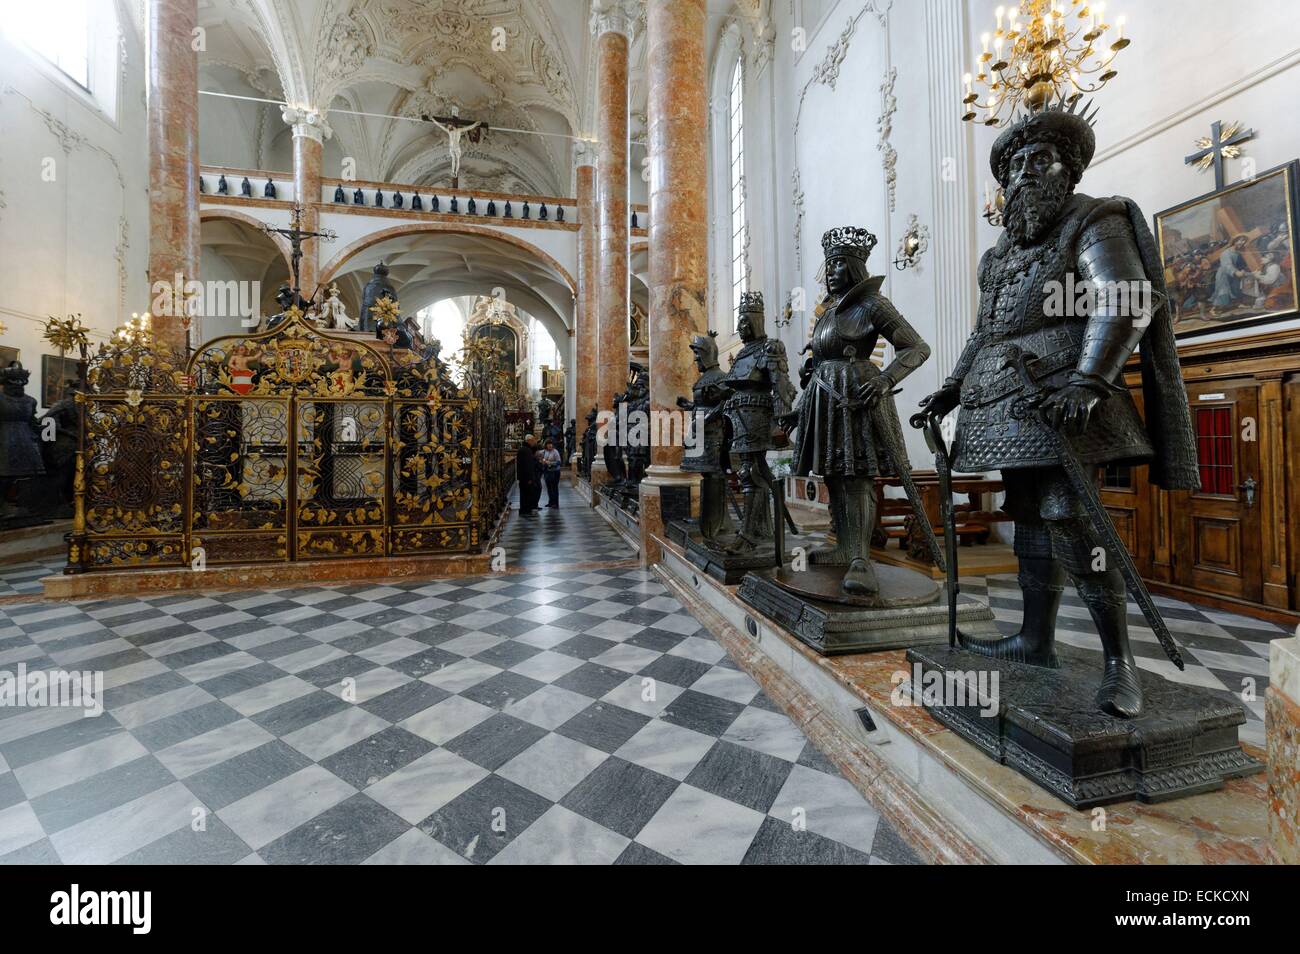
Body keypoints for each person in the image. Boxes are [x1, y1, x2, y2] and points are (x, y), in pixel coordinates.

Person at [918, 101, 1197, 718]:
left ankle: (1119, 662)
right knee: (1029, 519)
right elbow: (987, 329)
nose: (1022, 173)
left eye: (1037, 159)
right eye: (1013, 164)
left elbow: (1122, 298)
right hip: (1004, 405)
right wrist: (954, 386)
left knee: (1072, 519)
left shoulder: (1093, 220)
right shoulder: (999, 254)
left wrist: (1092, 378)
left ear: (1066, 168)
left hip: (1066, 396)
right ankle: (1035, 639)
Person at [516, 434, 541, 515]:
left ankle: (526, 509)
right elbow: (528, 466)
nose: (534, 442)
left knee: (525, 494)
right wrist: (530, 478)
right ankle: (525, 510)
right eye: (533, 440)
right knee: (526, 495)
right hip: (526, 478)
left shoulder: (525, 449)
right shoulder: (526, 450)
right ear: (528, 440)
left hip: (524, 477)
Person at [539, 438, 562, 508]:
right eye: (548, 444)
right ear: (546, 445)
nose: (550, 446)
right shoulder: (544, 452)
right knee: (549, 488)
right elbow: (540, 457)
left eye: (551, 444)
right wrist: (542, 461)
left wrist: (550, 463)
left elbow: (559, 462)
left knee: (554, 487)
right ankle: (551, 502)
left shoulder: (555, 452)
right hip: (547, 472)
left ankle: (555, 503)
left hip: (555, 472)